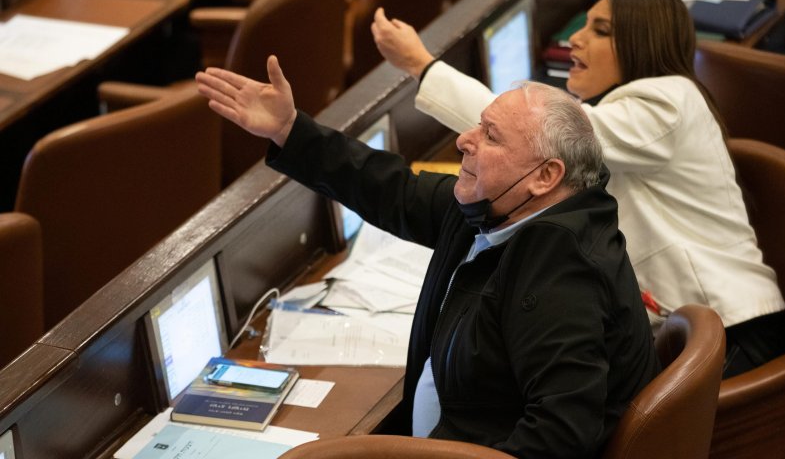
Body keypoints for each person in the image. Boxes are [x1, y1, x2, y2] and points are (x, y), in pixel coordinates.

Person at [196, 55, 660, 458]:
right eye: (478, 123)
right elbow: (392, 191)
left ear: (545, 176)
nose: (465, 139)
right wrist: (290, 130)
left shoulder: (562, 268)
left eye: (491, 137)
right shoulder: (491, 206)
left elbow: (561, 437)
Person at [371, 0, 785, 378]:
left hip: (732, 331)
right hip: (689, 329)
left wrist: (421, 66)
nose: (575, 39)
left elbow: (537, 139)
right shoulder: (637, 107)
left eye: (601, 30)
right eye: (585, 25)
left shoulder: (667, 101)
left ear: (641, 43)